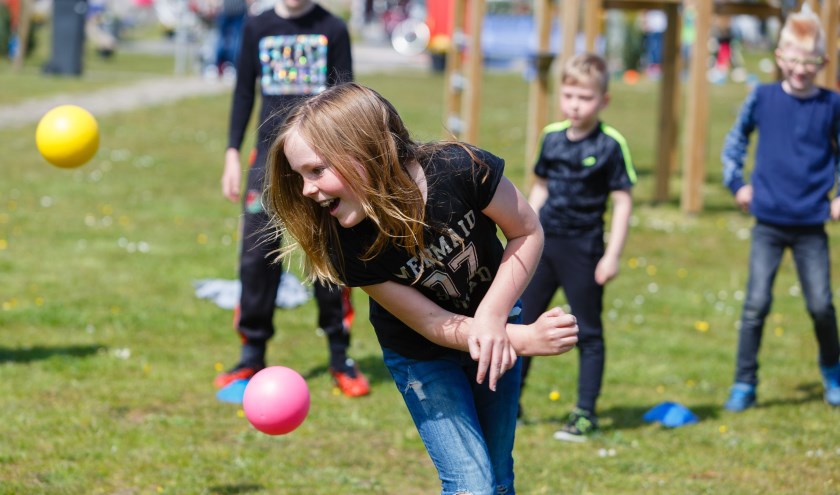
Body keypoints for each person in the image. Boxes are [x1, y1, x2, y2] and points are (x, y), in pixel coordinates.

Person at [263, 82, 579, 494]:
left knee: (498, 476)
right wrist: (526, 338)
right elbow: (433, 323)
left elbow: (527, 230)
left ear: (364, 150)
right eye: (301, 176)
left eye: (317, 171)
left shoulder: (462, 169)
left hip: (495, 329)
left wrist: (493, 316)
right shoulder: (348, 245)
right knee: (472, 484)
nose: (307, 189)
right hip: (423, 356)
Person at [216, 0, 370, 397]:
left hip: (319, 162)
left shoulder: (332, 28)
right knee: (256, 257)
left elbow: (346, 101)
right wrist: (233, 152)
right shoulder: (256, 26)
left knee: (332, 254)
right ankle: (251, 354)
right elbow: (242, 91)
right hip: (266, 162)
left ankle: (340, 356)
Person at [721, 6, 840, 412]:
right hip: (768, 223)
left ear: (822, 62)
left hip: (811, 225)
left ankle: (831, 368)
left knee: (821, 305)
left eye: (810, 60)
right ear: (779, 57)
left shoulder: (831, 105)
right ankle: (744, 382)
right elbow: (735, 142)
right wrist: (737, 183)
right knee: (755, 305)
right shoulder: (763, 97)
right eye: (793, 58)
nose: (801, 68)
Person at [518, 53, 636, 442]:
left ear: (603, 101)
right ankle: (510, 401)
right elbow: (541, 187)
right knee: (523, 323)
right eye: (568, 95)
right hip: (544, 245)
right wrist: (523, 231)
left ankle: (585, 412)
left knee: (588, 331)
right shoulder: (551, 137)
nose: (574, 104)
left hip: (584, 249)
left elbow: (622, 202)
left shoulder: (611, 145)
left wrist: (611, 255)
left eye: (584, 98)